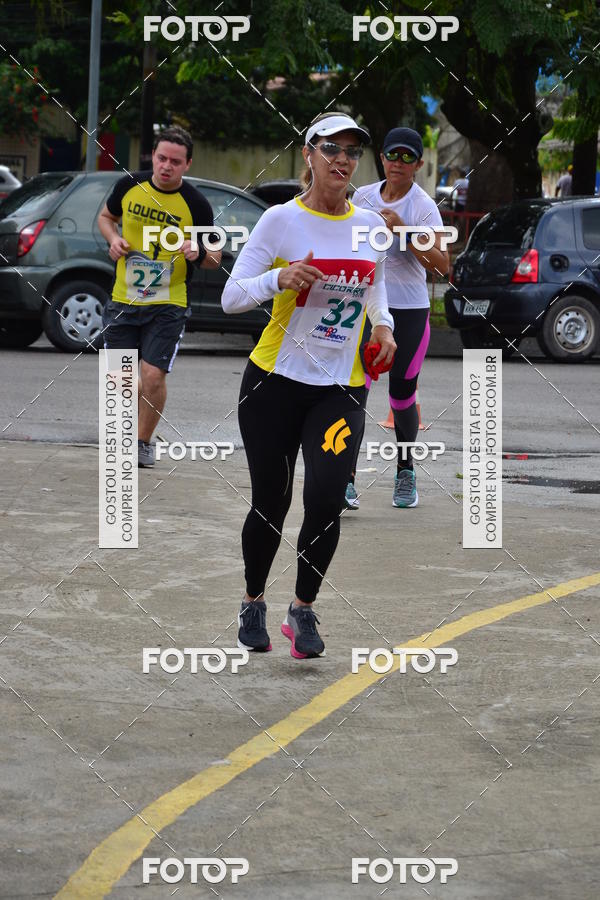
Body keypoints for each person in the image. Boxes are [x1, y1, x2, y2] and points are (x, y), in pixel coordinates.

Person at [222, 112, 396, 659]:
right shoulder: (279, 220)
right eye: (331, 149)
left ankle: (303, 609)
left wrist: (385, 328)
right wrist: (280, 276)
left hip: (340, 387)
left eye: (351, 151)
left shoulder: (370, 226)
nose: (342, 160)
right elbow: (232, 296)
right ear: (308, 155)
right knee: (271, 502)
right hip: (272, 383)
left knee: (325, 497)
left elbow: (376, 292)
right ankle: (253, 601)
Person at [97, 125, 221, 468]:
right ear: (153, 156)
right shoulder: (128, 186)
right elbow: (106, 218)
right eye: (162, 158)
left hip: (169, 303)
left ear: (188, 164)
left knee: (152, 375)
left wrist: (197, 251)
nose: (167, 166)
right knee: (121, 377)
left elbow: (215, 257)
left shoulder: (196, 204)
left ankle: (141, 442)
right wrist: (112, 239)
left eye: (176, 161)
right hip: (123, 298)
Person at [348, 126, 449, 509]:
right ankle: (347, 477)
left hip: (408, 309)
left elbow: (441, 265)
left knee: (401, 394)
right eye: (393, 155)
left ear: (419, 164)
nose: (399, 163)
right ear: (383, 158)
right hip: (364, 306)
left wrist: (404, 231)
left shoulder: (423, 207)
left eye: (408, 157)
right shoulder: (363, 196)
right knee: (353, 391)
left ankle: (405, 471)